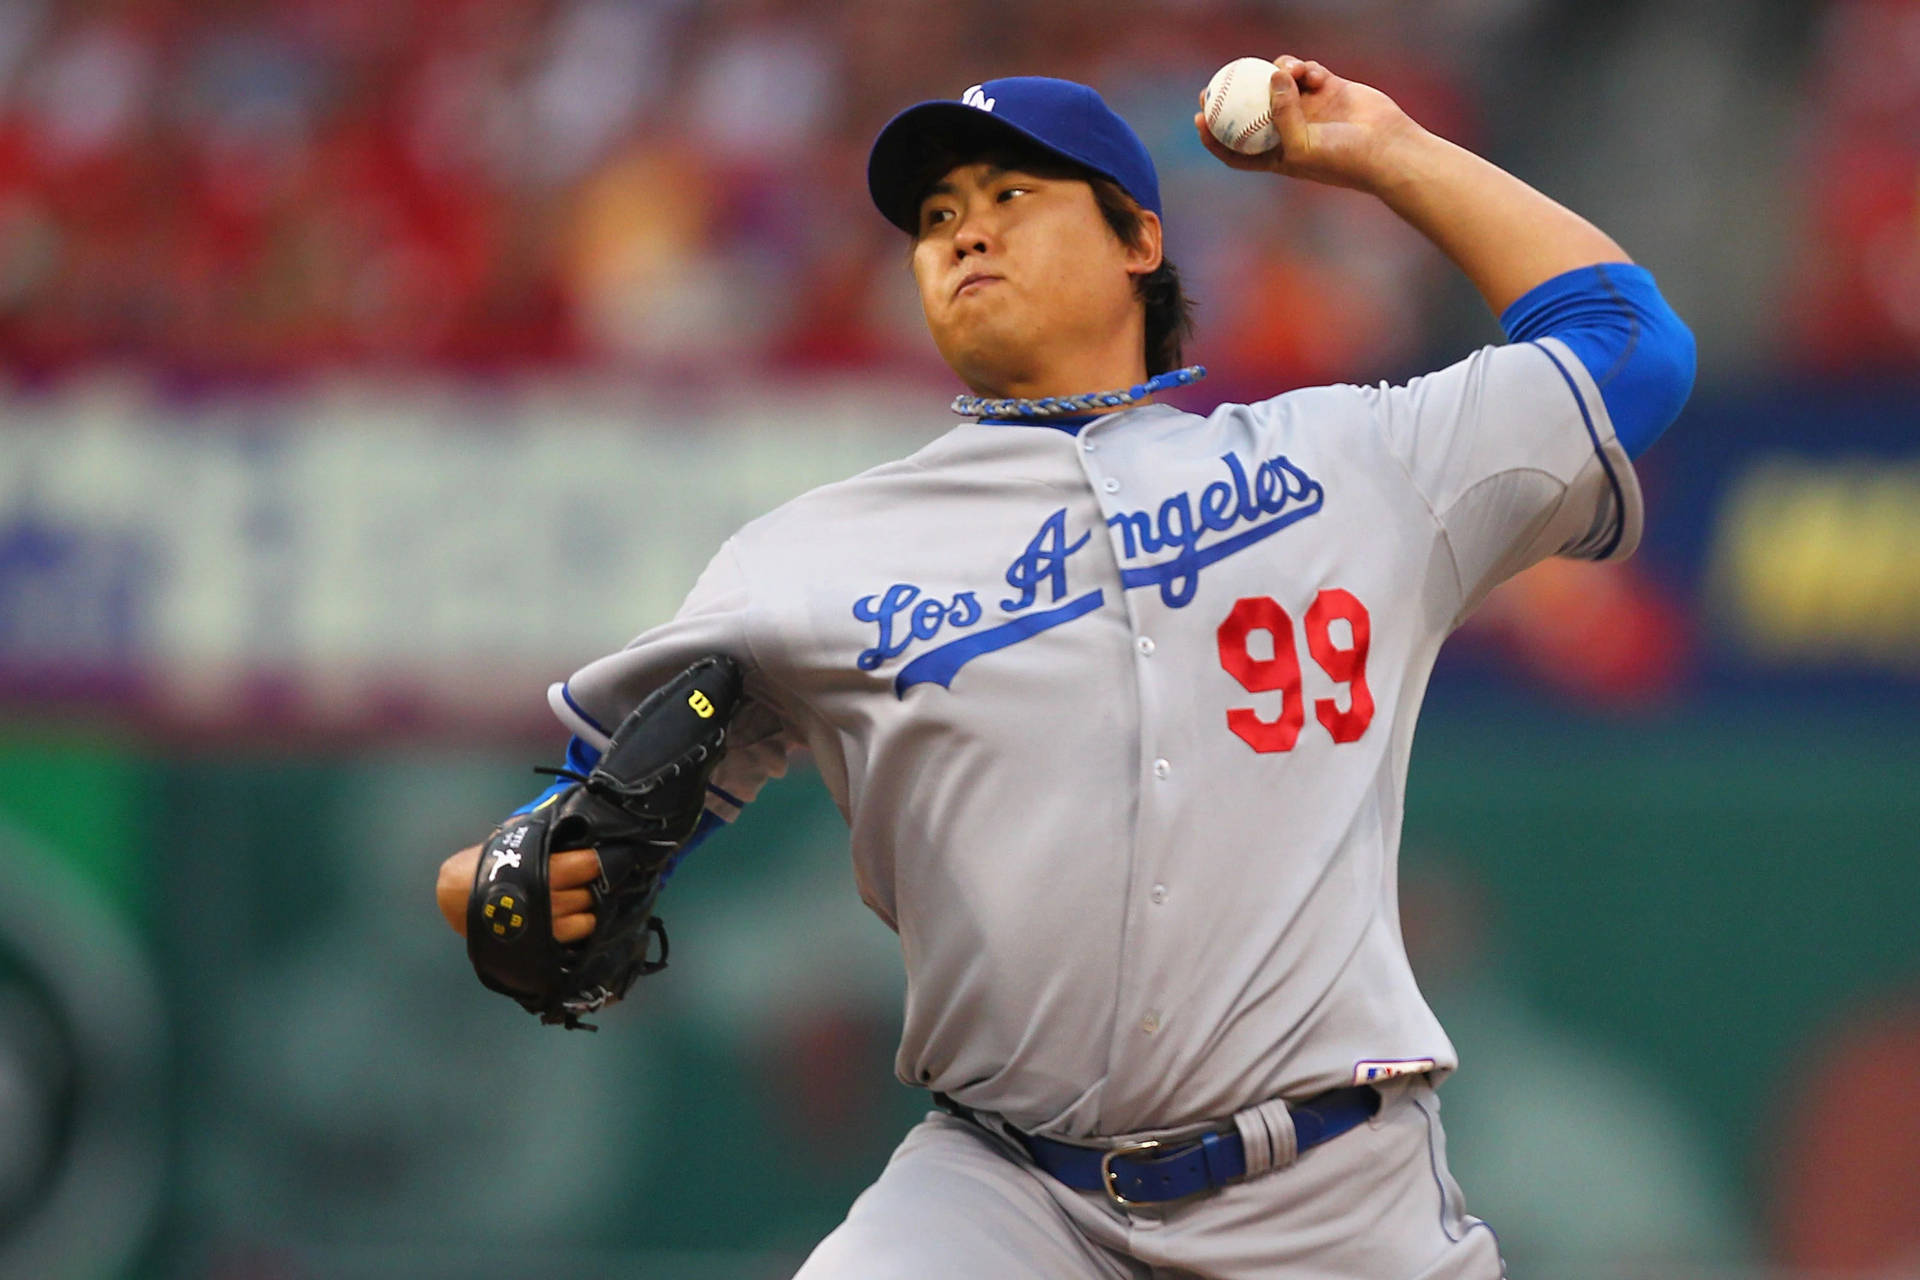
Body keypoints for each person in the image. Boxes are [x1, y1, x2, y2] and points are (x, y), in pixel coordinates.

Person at [436, 58, 1694, 1278]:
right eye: (936, 216)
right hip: (1002, 1196)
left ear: (1139, 240)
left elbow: (1632, 344)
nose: (963, 236)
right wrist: (506, 887)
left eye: (1012, 197)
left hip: (1333, 1195)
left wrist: (1384, 152)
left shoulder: (1352, 460)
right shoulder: (810, 556)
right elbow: (571, 836)